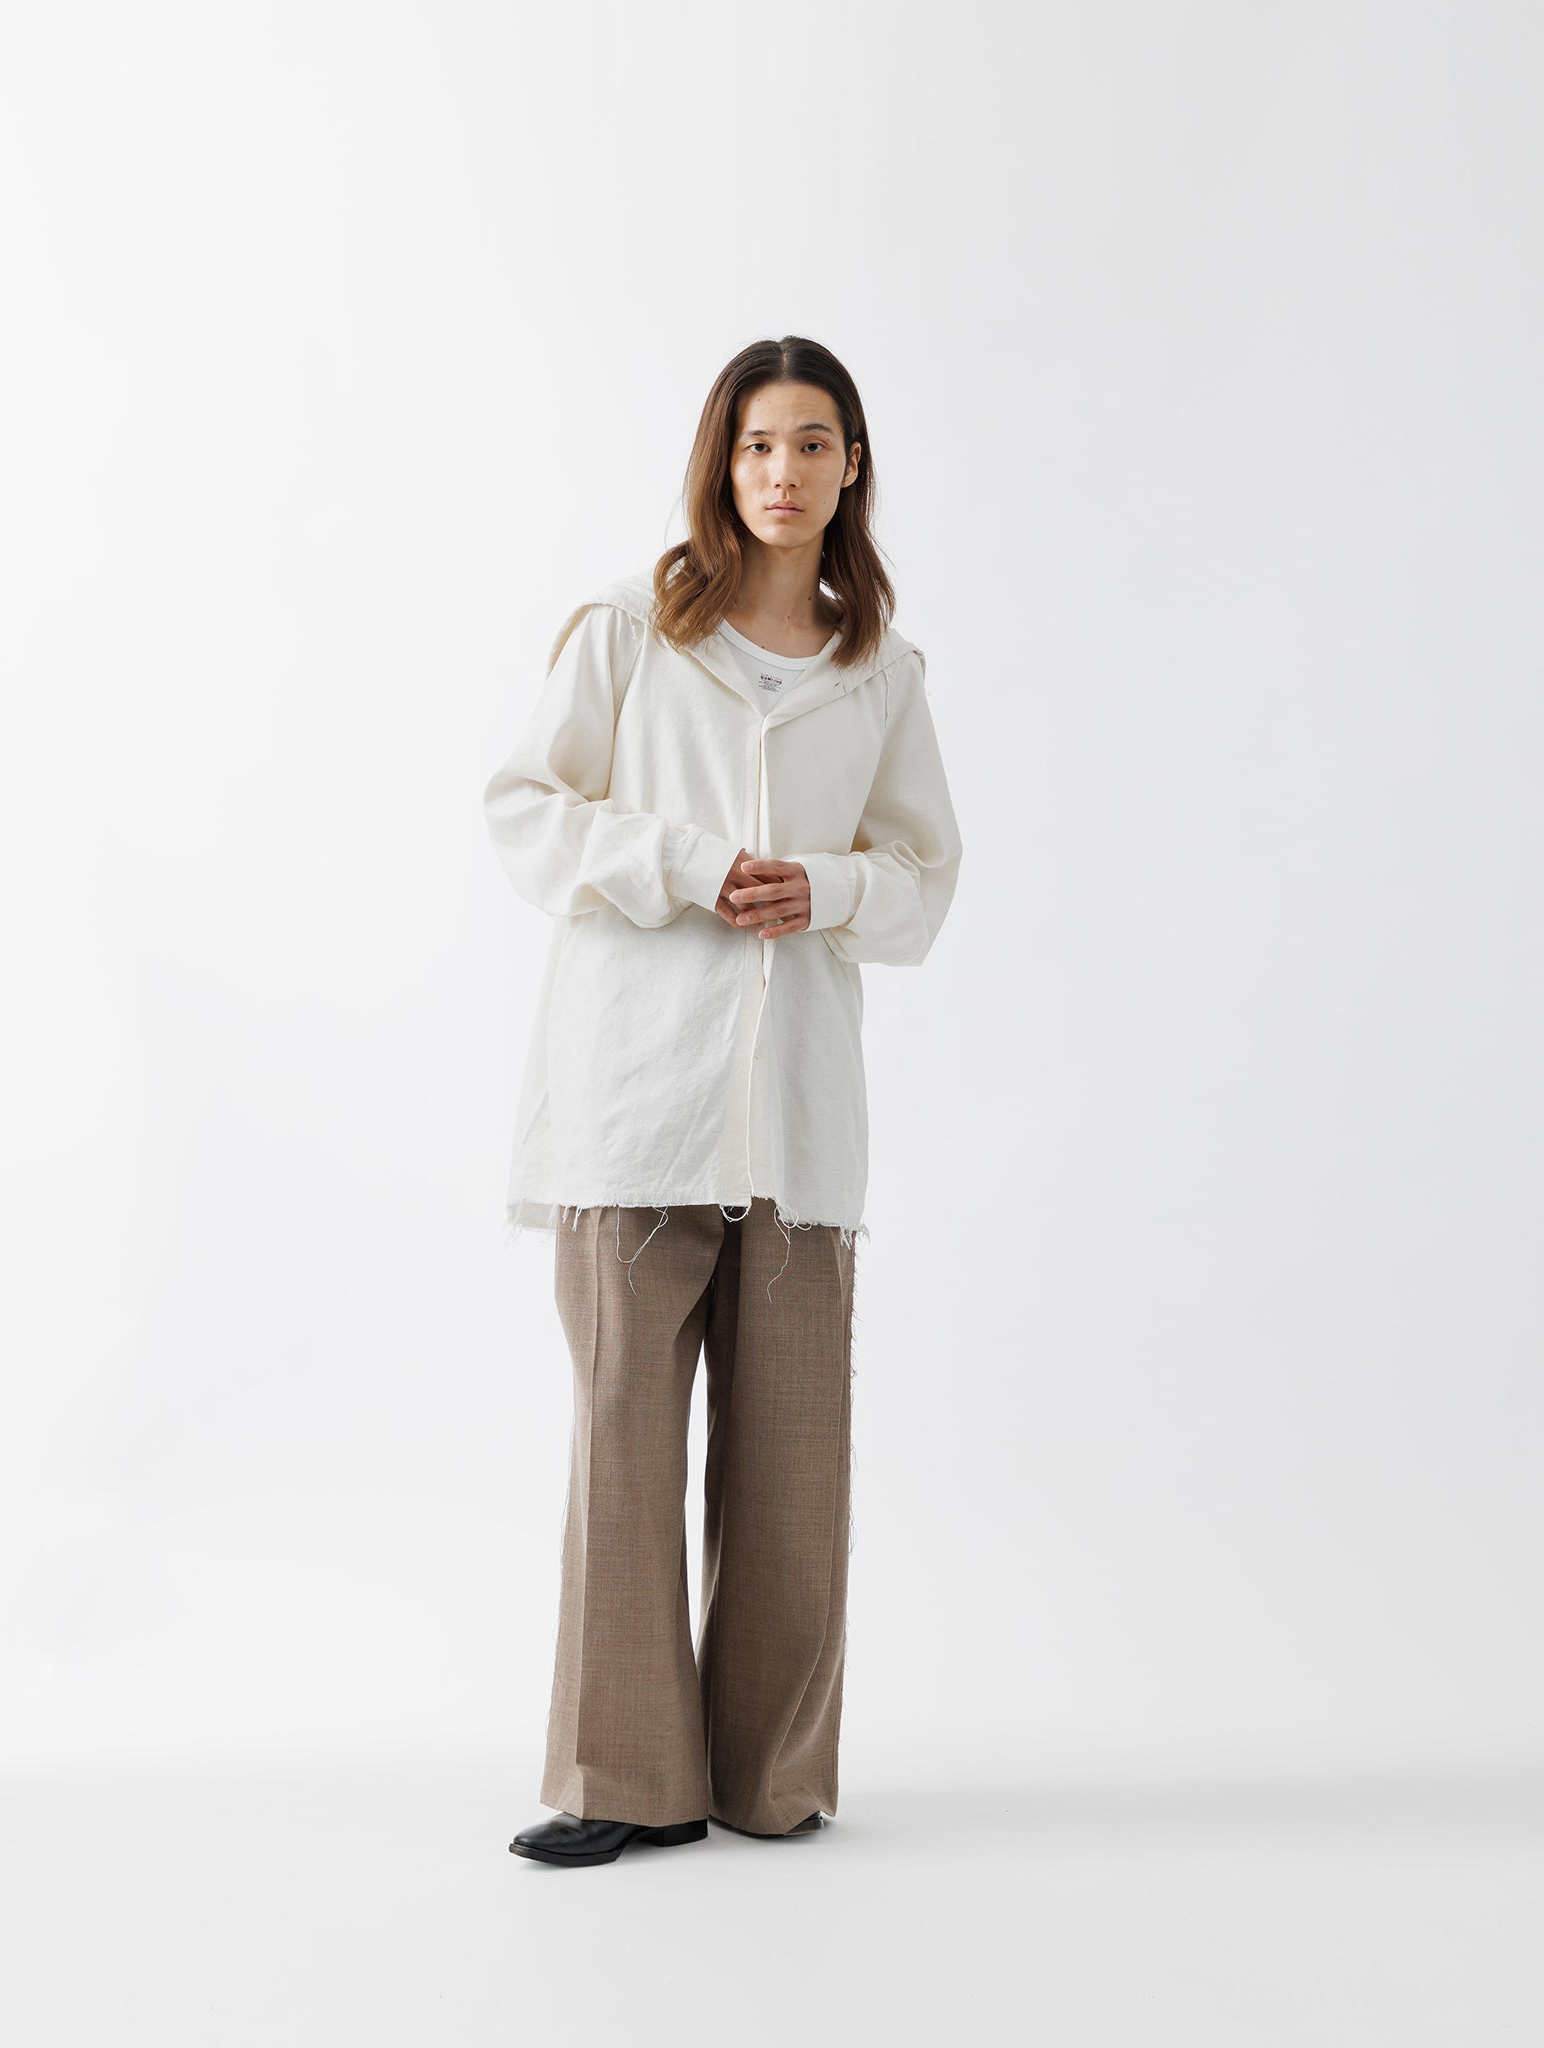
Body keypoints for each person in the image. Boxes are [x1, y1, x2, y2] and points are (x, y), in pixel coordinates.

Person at [483, 335, 962, 1868]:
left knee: (791, 1467)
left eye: (812, 443)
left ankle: (771, 1781)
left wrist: (825, 888)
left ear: (851, 466)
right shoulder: (629, 627)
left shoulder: (880, 671)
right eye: (757, 444)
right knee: (623, 1448)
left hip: (796, 1128)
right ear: (721, 461)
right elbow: (525, 811)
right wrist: (684, 865)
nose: (782, 471)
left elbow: (923, 878)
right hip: (635, 1104)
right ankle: (622, 1782)